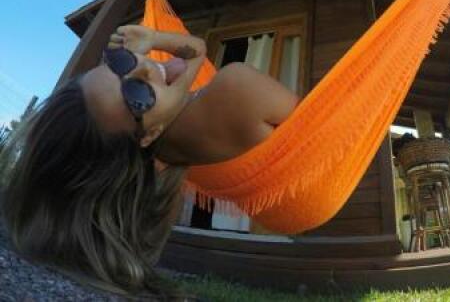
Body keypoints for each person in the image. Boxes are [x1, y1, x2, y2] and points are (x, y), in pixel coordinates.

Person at [0, 25, 300, 297]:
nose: (144, 67)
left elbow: (196, 51)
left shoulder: (163, 149)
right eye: (137, 95)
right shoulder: (238, 89)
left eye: (119, 64)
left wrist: (153, 41)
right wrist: (159, 45)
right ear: (149, 135)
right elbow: (309, 132)